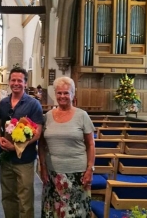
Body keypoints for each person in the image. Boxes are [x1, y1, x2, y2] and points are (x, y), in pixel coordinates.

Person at [38, 76, 95, 218]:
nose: (62, 96)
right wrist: (43, 168)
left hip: (77, 173)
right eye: (59, 93)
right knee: (54, 211)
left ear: (73, 94)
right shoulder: (47, 117)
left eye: (66, 93)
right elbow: (42, 144)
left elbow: (91, 144)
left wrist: (90, 169)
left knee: (75, 213)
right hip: (52, 174)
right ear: (55, 94)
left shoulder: (82, 116)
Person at [0, 67, 44, 218]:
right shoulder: (3, 103)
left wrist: (16, 146)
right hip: (6, 159)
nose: (16, 83)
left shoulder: (33, 104)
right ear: (9, 82)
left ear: (26, 83)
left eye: (19, 81)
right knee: (8, 196)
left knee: (25, 199)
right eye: (13, 80)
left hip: (25, 160)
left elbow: (37, 133)